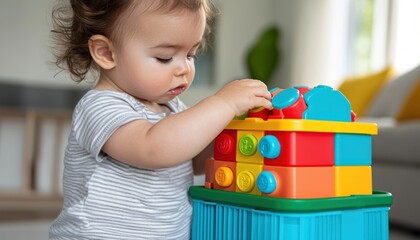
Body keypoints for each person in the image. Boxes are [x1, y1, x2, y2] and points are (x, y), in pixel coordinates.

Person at [49, 0, 272, 239]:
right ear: (106, 53)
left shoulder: (172, 108)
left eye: (190, 54)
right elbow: (153, 149)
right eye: (165, 58)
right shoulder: (100, 105)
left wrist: (228, 124)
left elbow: (192, 159)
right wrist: (222, 104)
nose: (184, 69)